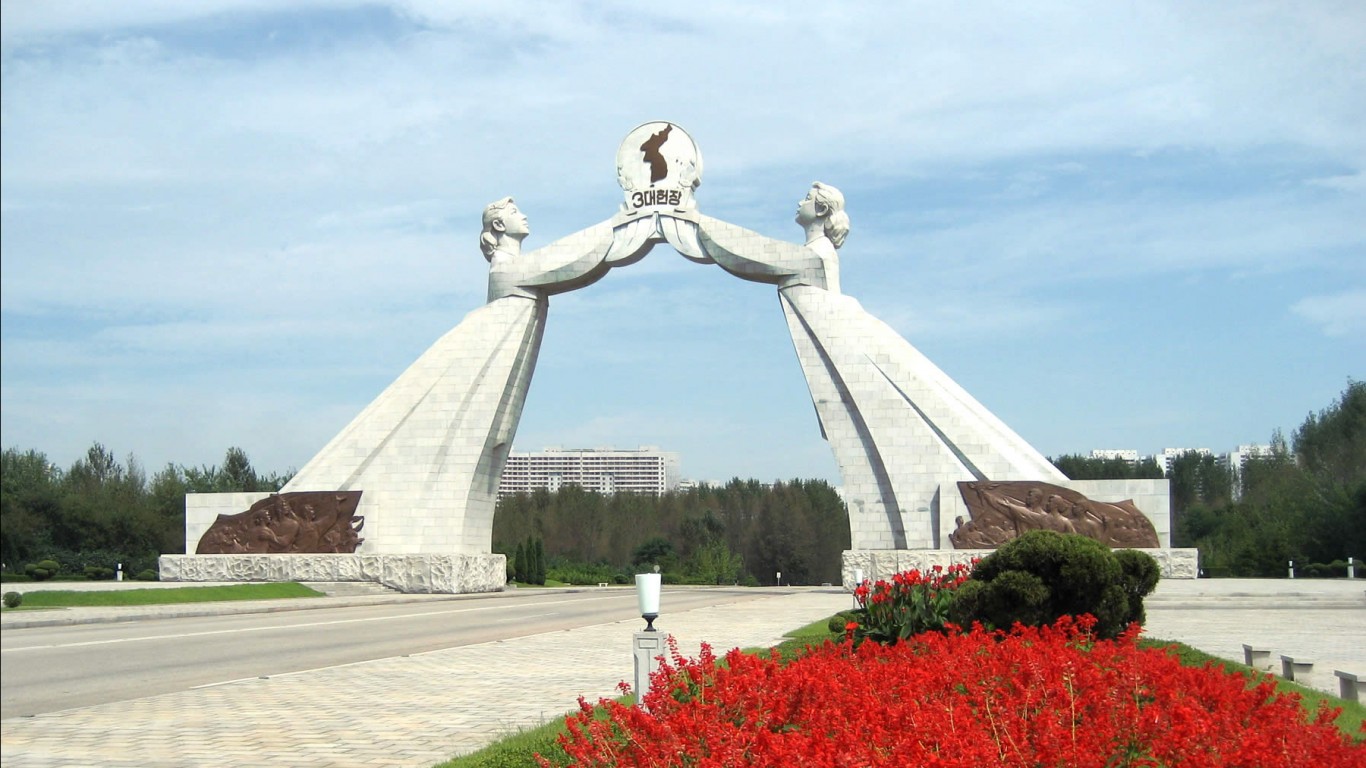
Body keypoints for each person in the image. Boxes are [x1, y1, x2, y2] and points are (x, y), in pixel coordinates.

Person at [794, 182, 851, 293]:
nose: (800, 203)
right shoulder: (816, 247)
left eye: (807, 199)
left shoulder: (820, 251)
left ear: (822, 210)